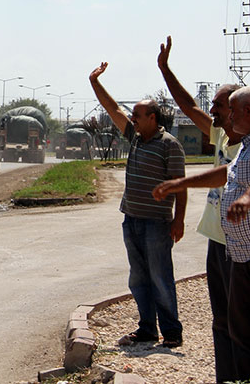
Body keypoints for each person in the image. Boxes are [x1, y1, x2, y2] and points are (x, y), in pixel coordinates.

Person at [153, 86, 250, 380]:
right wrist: (180, 184)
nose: (226, 118)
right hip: (243, 255)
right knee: (245, 334)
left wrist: (249, 196)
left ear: (248, 112)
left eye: (232, 111)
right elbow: (227, 174)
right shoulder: (247, 143)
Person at [157, 35, 242, 383]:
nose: (212, 111)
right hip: (216, 240)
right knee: (220, 319)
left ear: (237, 110)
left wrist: (180, 185)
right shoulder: (222, 136)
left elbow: (225, 174)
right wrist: (165, 69)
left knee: (244, 320)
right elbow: (189, 105)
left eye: (219, 106)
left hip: (242, 245)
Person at [89, 61, 187, 348]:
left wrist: (178, 220)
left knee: (160, 277)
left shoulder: (170, 145)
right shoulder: (135, 138)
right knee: (138, 278)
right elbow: (113, 110)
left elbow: (180, 189)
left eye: (138, 115)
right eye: (133, 115)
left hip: (156, 224)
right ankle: (147, 328)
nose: (132, 119)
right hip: (130, 219)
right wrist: (95, 82)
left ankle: (171, 332)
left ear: (153, 118)